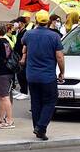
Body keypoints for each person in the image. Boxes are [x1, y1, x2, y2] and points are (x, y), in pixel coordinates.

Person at [18, 9, 65, 141]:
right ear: (48, 21)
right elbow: (60, 57)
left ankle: (39, 130)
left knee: (36, 102)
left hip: (31, 75)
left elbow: (24, 45)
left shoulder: (29, 34)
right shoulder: (54, 36)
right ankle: (41, 126)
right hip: (48, 76)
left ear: (37, 21)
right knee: (50, 101)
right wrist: (62, 72)